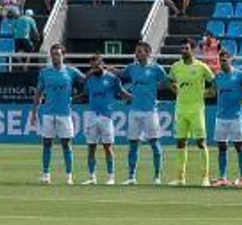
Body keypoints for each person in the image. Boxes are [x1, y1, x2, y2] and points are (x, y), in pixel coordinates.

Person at [30, 44, 82, 185]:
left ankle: (69, 176)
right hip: (48, 114)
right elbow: (38, 93)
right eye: (53, 54)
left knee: (67, 144)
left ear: (63, 55)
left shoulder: (71, 71)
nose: (55, 57)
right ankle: (46, 175)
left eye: (57, 54)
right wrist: (34, 112)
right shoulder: (45, 72)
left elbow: (87, 81)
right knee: (47, 144)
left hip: (64, 114)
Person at [167, 41, 214, 187]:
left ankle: (205, 178)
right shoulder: (176, 66)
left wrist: (208, 93)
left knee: (201, 142)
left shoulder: (202, 67)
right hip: (181, 109)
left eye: (186, 48)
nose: (183, 50)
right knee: (180, 142)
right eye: (182, 48)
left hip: (197, 109)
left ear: (193, 50)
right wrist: (174, 88)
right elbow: (170, 81)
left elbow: (213, 82)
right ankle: (180, 178)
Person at [121, 41, 167, 185]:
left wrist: (155, 96)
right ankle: (131, 177)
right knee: (133, 144)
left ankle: (157, 177)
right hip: (134, 111)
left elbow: (166, 82)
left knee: (154, 143)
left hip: (150, 111)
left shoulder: (157, 69)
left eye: (140, 51)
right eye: (136, 51)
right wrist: (107, 69)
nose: (137, 54)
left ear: (148, 53)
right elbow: (119, 75)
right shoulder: (131, 68)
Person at [210, 50, 242, 187]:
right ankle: (222, 178)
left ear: (230, 59)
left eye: (224, 60)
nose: (222, 63)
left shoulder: (240, 75)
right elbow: (213, 91)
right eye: (220, 60)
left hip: (235, 117)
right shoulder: (218, 76)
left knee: (239, 147)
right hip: (220, 117)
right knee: (222, 147)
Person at [81, 55, 121, 185]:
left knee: (108, 148)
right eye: (92, 66)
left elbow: (120, 92)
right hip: (92, 116)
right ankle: (91, 177)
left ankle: (111, 177)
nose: (95, 68)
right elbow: (85, 93)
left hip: (106, 116)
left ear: (102, 64)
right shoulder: (89, 79)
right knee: (91, 147)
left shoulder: (112, 78)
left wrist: (133, 98)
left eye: (97, 65)